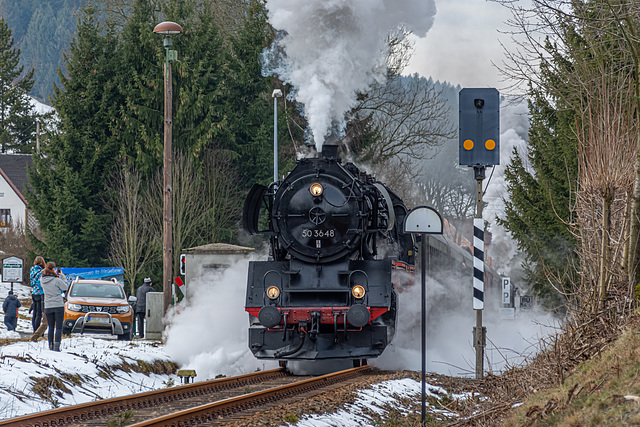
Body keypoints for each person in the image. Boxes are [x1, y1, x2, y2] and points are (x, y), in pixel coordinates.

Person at [41, 262, 68, 351]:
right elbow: (65, 287)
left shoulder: (42, 280)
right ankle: (57, 346)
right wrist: (61, 276)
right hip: (58, 305)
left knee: (51, 327)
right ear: (53, 269)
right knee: (59, 327)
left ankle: (50, 345)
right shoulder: (56, 280)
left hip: (48, 305)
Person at [29, 256, 45, 332]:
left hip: (34, 292)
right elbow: (40, 283)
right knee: (39, 314)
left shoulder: (32, 270)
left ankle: (34, 330)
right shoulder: (41, 272)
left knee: (35, 314)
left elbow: (32, 282)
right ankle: (37, 331)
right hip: (39, 293)